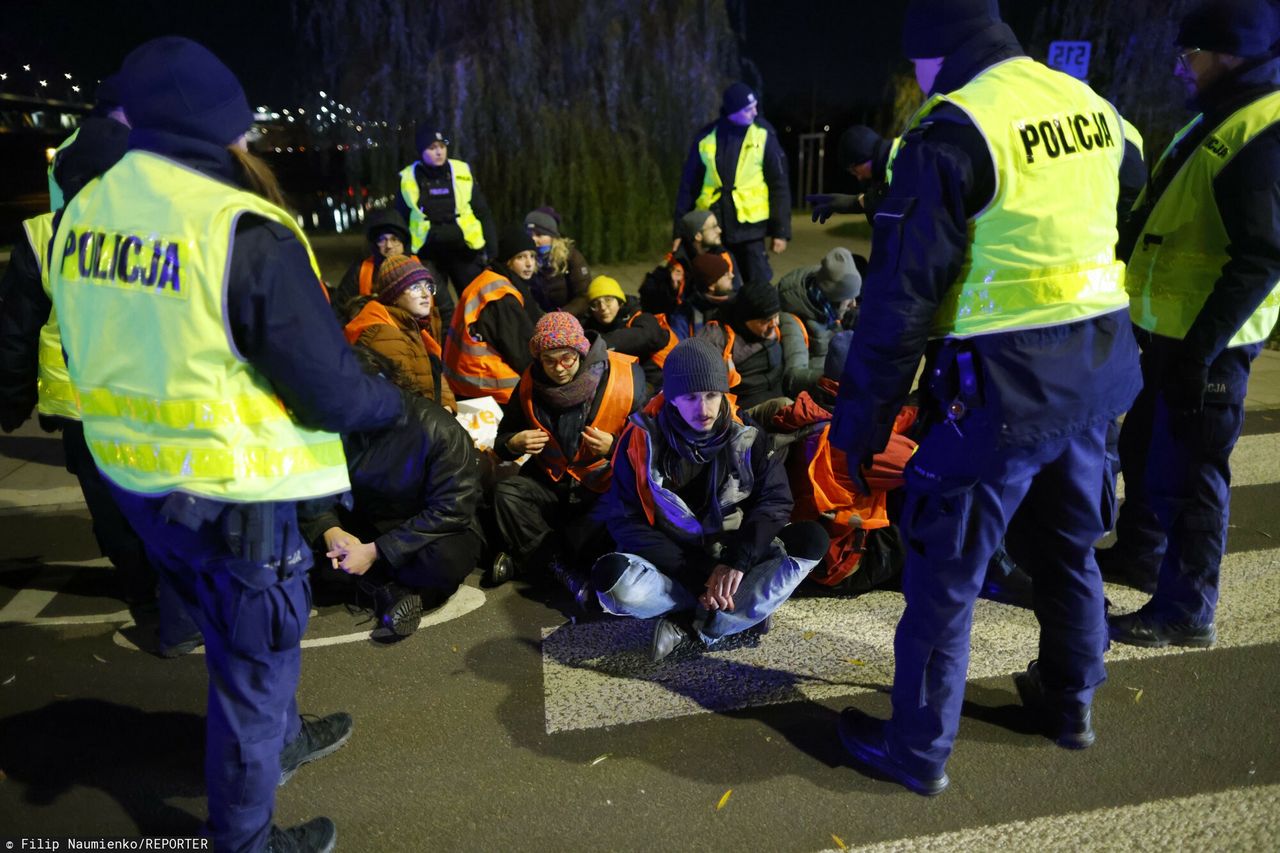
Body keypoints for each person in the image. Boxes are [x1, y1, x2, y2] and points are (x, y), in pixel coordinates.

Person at [46, 37, 405, 851]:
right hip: (236, 499)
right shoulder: (239, 229)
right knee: (251, 673)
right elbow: (329, 389)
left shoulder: (84, 214)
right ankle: (246, 838)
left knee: (233, 645)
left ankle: (283, 741)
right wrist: (391, 400)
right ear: (221, 132)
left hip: (140, 486)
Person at [828, 1, 1143, 795]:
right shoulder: (1087, 103)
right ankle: (1072, 703)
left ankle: (917, 748)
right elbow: (1128, 188)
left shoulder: (951, 131)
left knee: (945, 573)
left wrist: (858, 427)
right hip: (1100, 368)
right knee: (1067, 546)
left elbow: (898, 302)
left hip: (1004, 387)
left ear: (932, 56)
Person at [1104, 0, 1280, 649]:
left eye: (1190, 54)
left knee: (1194, 472)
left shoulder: (1262, 127)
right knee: (1145, 450)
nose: (1180, 68)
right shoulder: (1215, 119)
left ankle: (1187, 607)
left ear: (1228, 53)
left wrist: (1199, 352)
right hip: (1169, 331)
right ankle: (1139, 553)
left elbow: (1261, 254)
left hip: (1209, 343)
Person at [0, 113, 160, 613]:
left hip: (80, 408)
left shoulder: (40, 236)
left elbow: (17, 330)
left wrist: (13, 399)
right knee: (164, 504)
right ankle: (175, 599)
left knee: (111, 513)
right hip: (156, 402)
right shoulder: (156, 230)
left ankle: (144, 595)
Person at [591, 338, 828, 662]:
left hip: (730, 555)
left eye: (712, 396)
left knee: (811, 540)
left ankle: (694, 626)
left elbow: (774, 500)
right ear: (672, 399)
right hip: (672, 563)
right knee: (614, 580)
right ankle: (735, 614)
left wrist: (736, 562)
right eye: (690, 397)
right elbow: (624, 519)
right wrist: (698, 573)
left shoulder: (746, 434)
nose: (704, 410)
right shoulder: (639, 439)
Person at [299, 347, 484, 640]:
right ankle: (392, 592)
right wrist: (330, 528)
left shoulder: (437, 428)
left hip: (426, 529)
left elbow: (452, 510)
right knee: (307, 551)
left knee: (443, 560)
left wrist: (376, 552)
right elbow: (313, 485)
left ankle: (379, 587)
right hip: (365, 521)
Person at [489, 312, 647, 604]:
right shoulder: (529, 383)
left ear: (580, 352)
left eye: (567, 359)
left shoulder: (625, 378)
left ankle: (539, 561)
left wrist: (614, 447)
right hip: (552, 483)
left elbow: (652, 445)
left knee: (598, 541)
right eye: (549, 360)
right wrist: (514, 442)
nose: (559, 369)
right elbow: (502, 439)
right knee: (507, 494)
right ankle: (556, 566)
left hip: (601, 488)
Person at [674, 83, 791, 286]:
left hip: (751, 232)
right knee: (721, 286)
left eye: (755, 106)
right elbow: (688, 186)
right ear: (732, 111)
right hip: (715, 230)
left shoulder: (763, 135)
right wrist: (678, 231)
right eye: (748, 109)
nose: (755, 112)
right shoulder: (705, 137)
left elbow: (779, 185)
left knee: (759, 286)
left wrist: (780, 231)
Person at [395, 123, 497, 304]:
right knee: (434, 305)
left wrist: (492, 248)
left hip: (463, 249)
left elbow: (482, 211)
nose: (439, 152)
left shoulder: (461, 171)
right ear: (421, 151)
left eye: (442, 146)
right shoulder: (408, 178)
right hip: (428, 253)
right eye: (432, 147)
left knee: (476, 300)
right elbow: (400, 219)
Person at [443, 225, 546, 404]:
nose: (529, 263)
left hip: (462, 380)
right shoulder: (502, 296)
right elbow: (522, 352)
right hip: (493, 387)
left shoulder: (488, 279)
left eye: (532, 256)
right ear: (507, 260)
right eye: (521, 257)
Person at [344, 254, 455, 410]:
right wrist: (442, 420)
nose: (425, 294)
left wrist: (447, 406)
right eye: (416, 287)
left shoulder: (416, 325)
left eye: (428, 286)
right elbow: (409, 398)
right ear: (394, 296)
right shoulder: (385, 333)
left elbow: (435, 375)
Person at [697, 279, 810, 417]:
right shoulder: (716, 340)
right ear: (744, 319)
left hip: (781, 387)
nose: (774, 324)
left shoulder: (777, 325)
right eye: (765, 321)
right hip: (747, 408)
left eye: (776, 316)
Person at [776, 247, 863, 390]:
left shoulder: (825, 303)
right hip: (817, 387)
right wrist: (834, 376)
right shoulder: (792, 320)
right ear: (833, 299)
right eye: (848, 300)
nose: (853, 304)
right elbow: (792, 376)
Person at [579, 275, 674, 391]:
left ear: (620, 302)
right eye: (595, 304)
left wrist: (600, 343)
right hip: (622, 383)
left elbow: (650, 336)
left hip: (658, 382)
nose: (603, 307)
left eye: (608, 300)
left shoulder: (640, 317)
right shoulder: (589, 326)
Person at [638, 209, 737, 317]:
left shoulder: (723, 256)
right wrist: (671, 289)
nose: (719, 230)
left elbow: (735, 291)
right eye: (713, 227)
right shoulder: (677, 263)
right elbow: (649, 298)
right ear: (698, 235)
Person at [329, 209, 415, 321]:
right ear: (375, 244)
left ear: (404, 242)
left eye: (395, 239)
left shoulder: (424, 269)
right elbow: (338, 308)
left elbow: (444, 310)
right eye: (382, 240)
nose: (388, 245)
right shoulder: (360, 271)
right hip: (370, 334)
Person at [808, 126, 894, 225]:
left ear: (863, 159)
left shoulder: (903, 157)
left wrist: (852, 203)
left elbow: (894, 206)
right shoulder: (892, 159)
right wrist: (852, 203)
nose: (859, 177)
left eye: (855, 170)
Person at [525, 207, 592, 315]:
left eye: (539, 235)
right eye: (529, 234)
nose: (533, 239)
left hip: (569, 319)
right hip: (540, 318)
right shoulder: (526, 258)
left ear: (552, 236)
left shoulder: (571, 257)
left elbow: (583, 296)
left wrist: (559, 315)